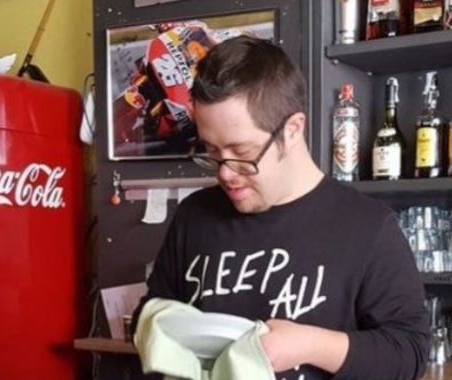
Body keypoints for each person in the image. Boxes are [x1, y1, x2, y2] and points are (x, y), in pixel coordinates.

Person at [134, 35, 429, 380]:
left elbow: (409, 354)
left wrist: (309, 345)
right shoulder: (194, 215)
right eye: (212, 152)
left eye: (243, 153)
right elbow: (150, 315)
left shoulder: (368, 226)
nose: (226, 173)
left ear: (292, 129)